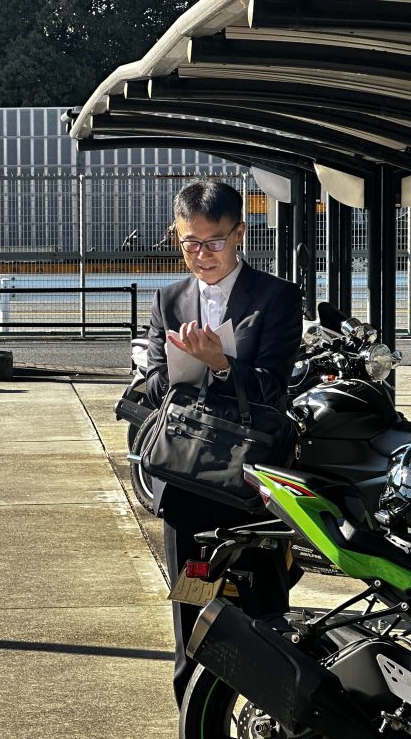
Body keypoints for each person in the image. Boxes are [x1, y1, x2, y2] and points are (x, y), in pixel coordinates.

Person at [145, 179, 302, 706]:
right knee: (191, 618)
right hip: (186, 486)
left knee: (262, 614)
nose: (201, 254)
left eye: (213, 242)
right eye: (189, 242)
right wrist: (176, 370)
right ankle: (192, 717)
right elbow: (153, 388)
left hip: (249, 486)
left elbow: (273, 389)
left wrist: (220, 364)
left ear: (239, 234)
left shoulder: (276, 297)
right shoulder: (169, 299)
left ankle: (271, 718)